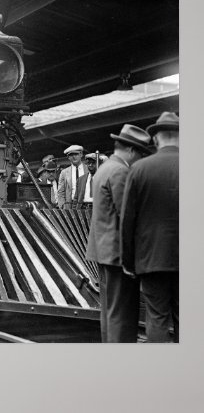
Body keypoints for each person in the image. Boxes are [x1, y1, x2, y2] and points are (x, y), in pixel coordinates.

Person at [86, 124, 151, 342]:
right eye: (141, 154)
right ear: (132, 151)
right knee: (123, 313)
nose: (140, 159)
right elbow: (127, 216)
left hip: (102, 250)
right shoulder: (120, 172)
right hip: (118, 254)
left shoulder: (105, 168)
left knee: (110, 311)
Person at [120, 112, 179, 343]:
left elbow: (128, 220)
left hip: (151, 259)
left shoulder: (140, 169)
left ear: (156, 140)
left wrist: (128, 261)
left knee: (157, 317)